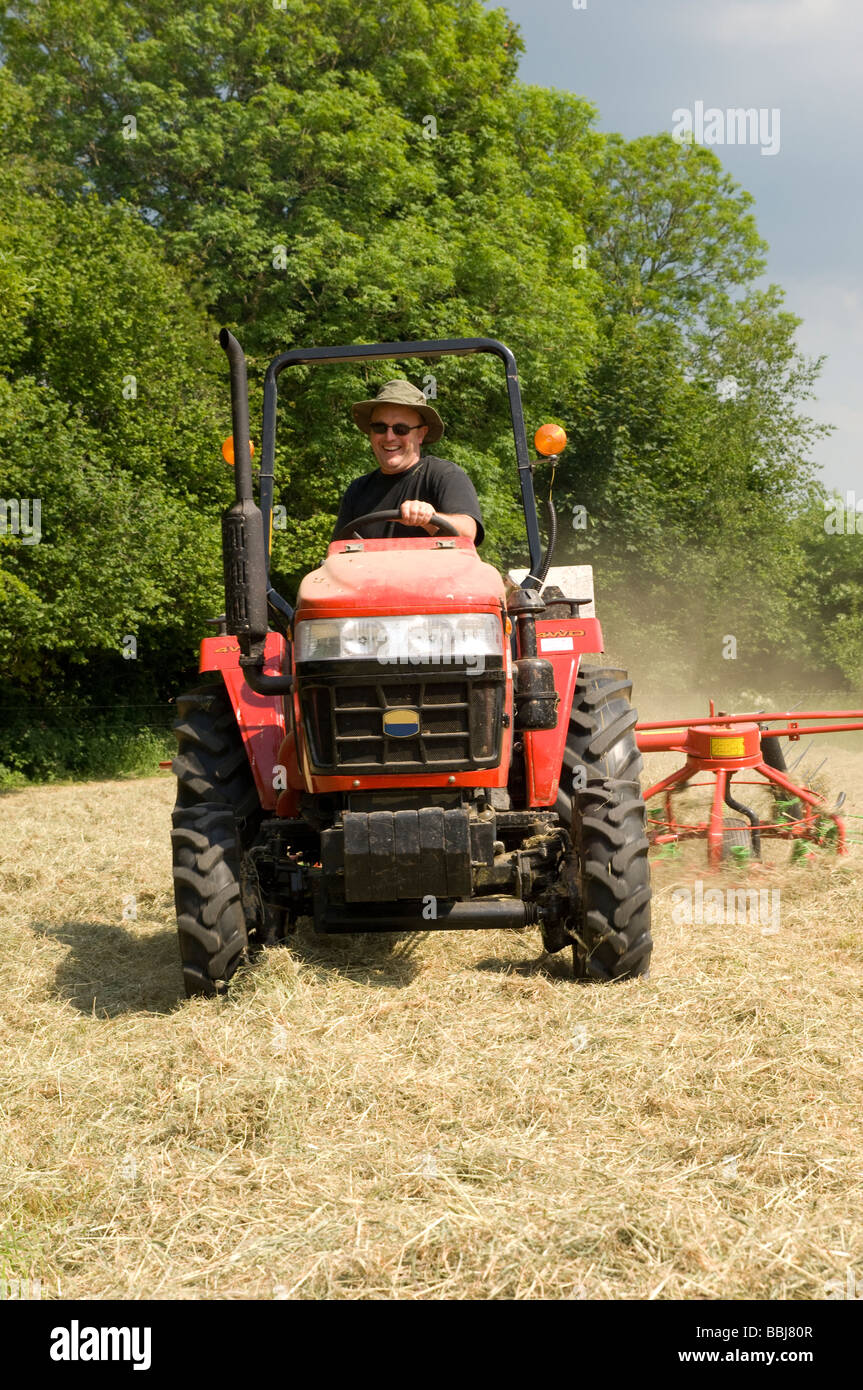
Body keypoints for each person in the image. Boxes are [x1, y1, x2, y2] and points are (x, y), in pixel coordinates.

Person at [333, 379, 484, 542]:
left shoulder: (444, 475)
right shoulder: (357, 490)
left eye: (401, 429)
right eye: (380, 428)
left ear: (421, 434)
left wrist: (430, 519)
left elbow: (469, 532)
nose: (389, 437)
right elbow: (336, 552)